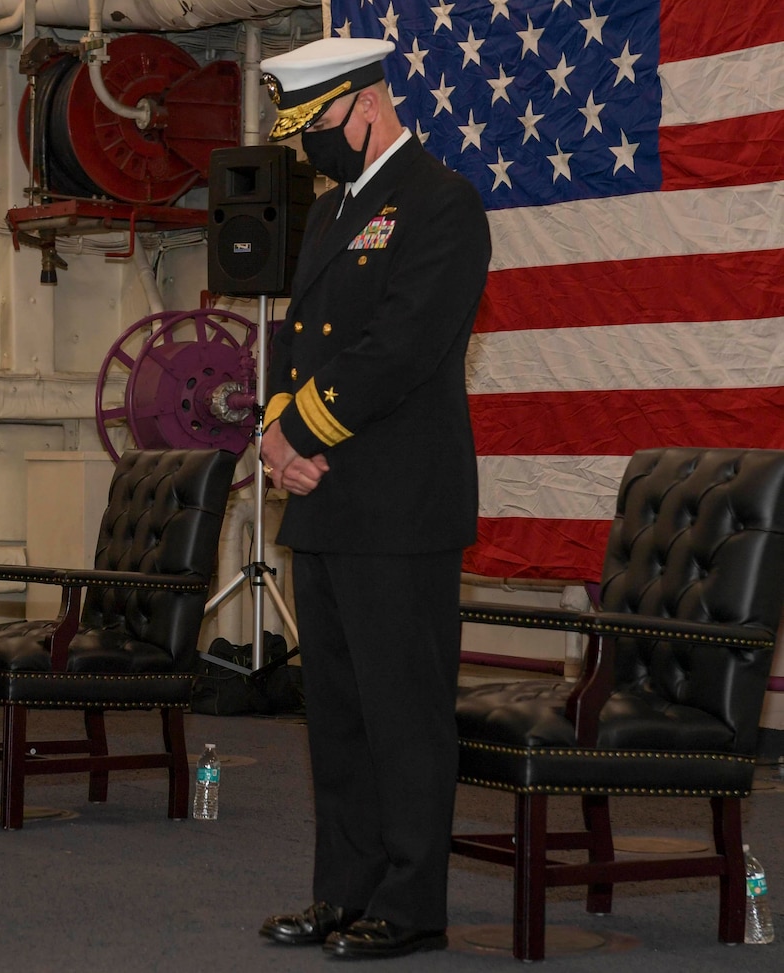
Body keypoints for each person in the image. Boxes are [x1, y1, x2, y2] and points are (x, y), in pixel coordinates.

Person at [253, 37, 491, 960]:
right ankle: (341, 890)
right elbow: (297, 341)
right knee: (340, 717)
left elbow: (400, 349)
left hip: (399, 508)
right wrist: (277, 433)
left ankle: (410, 902)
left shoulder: (441, 203)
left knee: (403, 714)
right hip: (324, 502)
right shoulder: (328, 215)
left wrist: (300, 433)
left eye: (315, 127)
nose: (309, 147)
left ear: (365, 107)